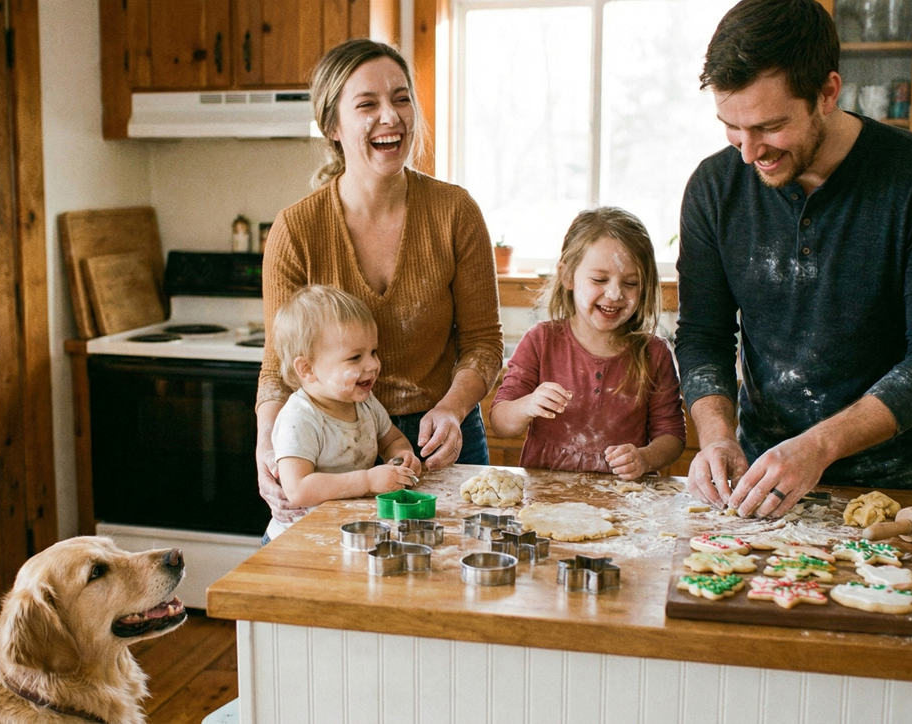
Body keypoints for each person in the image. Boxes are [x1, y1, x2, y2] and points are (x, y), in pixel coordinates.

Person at [675, 0, 912, 518]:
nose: (749, 153)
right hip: (758, 486)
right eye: (732, 127)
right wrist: (717, 437)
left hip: (889, 493)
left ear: (827, 93)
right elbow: (703, 335)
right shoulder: (714, 188)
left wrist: (817, 447)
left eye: (770, 127)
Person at [257, 39, 503, 525]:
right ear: (333, 126)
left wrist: (452, 410)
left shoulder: (456, 212)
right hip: (330, 447)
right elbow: (277, 366)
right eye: (367, 104)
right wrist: (269, 446)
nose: (390, 115)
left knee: (454, 579)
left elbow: (483, 343)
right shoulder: (296, 230)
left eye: (402, 97)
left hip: (439, 444)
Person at [491, 207, 686, 479]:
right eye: (599, 279)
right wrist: (527, 405)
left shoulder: (654, 354)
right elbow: (501, 422)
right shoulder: (541, 342)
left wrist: (644, 458)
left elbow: (672, 436)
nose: (615, 293)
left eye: (631, 282)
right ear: (568, 275)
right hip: (548, 500)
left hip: (624, 504)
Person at [263, 285, 420, 542]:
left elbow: (391, 439)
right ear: (307, 368)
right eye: (355, 357)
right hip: (298, 542)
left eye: (373, 352)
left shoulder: (365, 403)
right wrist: (368, 482)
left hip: (344, 532)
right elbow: (298, 489)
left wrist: (402, 457)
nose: (372, 365)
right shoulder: (299, 418)